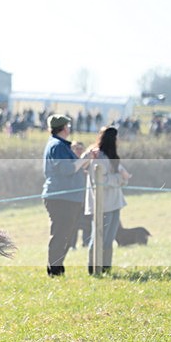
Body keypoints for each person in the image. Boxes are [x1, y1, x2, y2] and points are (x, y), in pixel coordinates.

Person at [42, 114, 94, 276]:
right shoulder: (58, 146)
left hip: (67, 197)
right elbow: (67, 169)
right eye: (68, 126)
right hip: (61, 198)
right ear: (64, 128)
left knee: (65, 234)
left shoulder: (60, 145)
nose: (69, 128)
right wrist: (84, 158)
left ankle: (57, 268)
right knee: (60, 235)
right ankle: (55, 271)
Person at [85, 126, 131, 274]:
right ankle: (93, 268)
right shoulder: (98, 157)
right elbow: (100, 180)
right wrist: (119, 178)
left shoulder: (112, 156)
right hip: (102, 204)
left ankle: (106, 268)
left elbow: (123, 175)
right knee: (98, 237)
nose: (119, 141)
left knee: (109, 238)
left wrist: (122, 178)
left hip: (115, 203)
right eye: (117, 138)